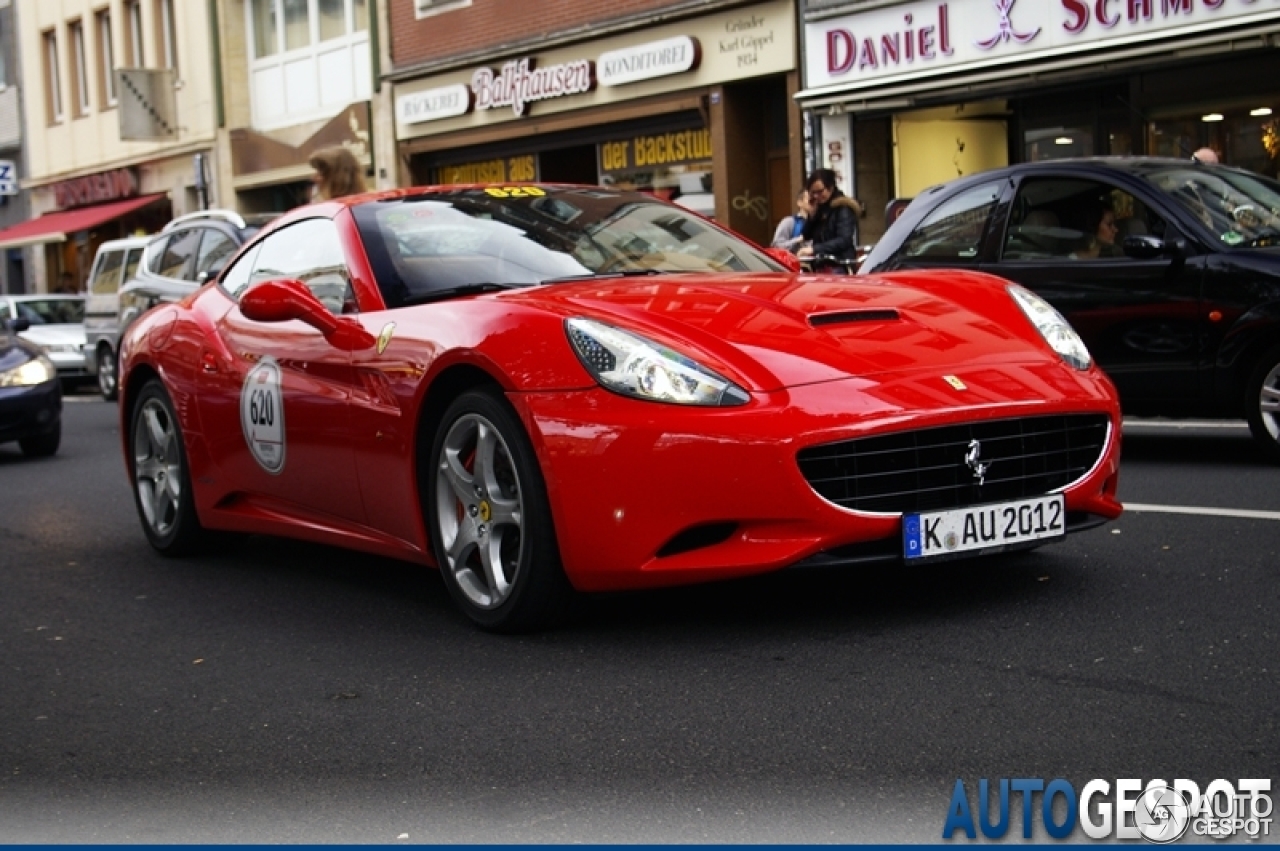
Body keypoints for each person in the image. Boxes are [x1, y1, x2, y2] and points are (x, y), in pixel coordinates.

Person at [796, 168, 862, 271]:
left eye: (820, 192)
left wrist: (815, 249)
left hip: (839, 263)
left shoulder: (843, 208)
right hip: (820, 263)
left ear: (830, 188)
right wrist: (812, 214)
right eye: (813, 193)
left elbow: (844, 240)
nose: (817, 196)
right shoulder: (820, 208)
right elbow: (806, 235)